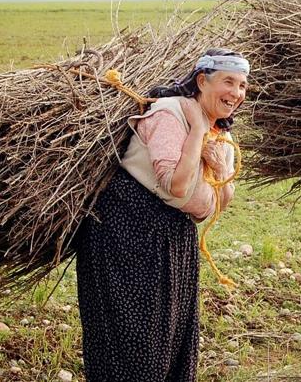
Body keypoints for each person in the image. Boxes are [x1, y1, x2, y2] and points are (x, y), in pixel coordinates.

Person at [74, 49, 249, 381]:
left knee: (171, 342)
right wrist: (196, 133)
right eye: (229, 82)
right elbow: (178, 187)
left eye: (242, 86)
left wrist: (222, 166)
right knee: (132, 341)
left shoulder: (221, 132)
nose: (236, 94)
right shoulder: (169, 114)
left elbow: (219, 202)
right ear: (202, 81)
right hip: (125, 231)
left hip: (172, 239)